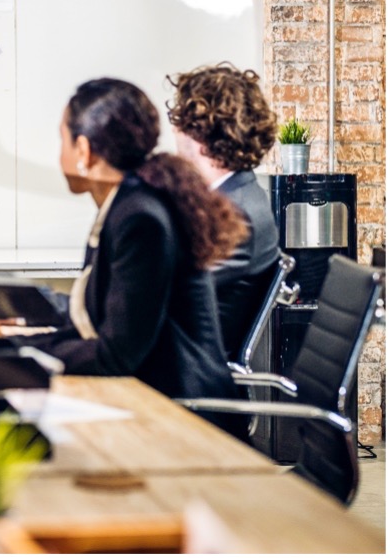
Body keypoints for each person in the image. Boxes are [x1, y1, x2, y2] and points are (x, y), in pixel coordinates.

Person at [27, 78, 247, 412]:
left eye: (63, 140)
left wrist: (21, 352)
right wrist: (15, 334)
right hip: (155, 397)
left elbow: (116, 354)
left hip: (184, 415)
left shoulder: (139, 219)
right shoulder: (127, 205)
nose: (60, 154)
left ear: (83, 150)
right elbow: (97, 319)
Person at [166, 63, 280, 363]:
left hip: (184, 383)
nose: (174, 131)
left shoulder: (236, 213)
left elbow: (171, 302)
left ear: (201, 134)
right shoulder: (236, 196)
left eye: (181, 120)